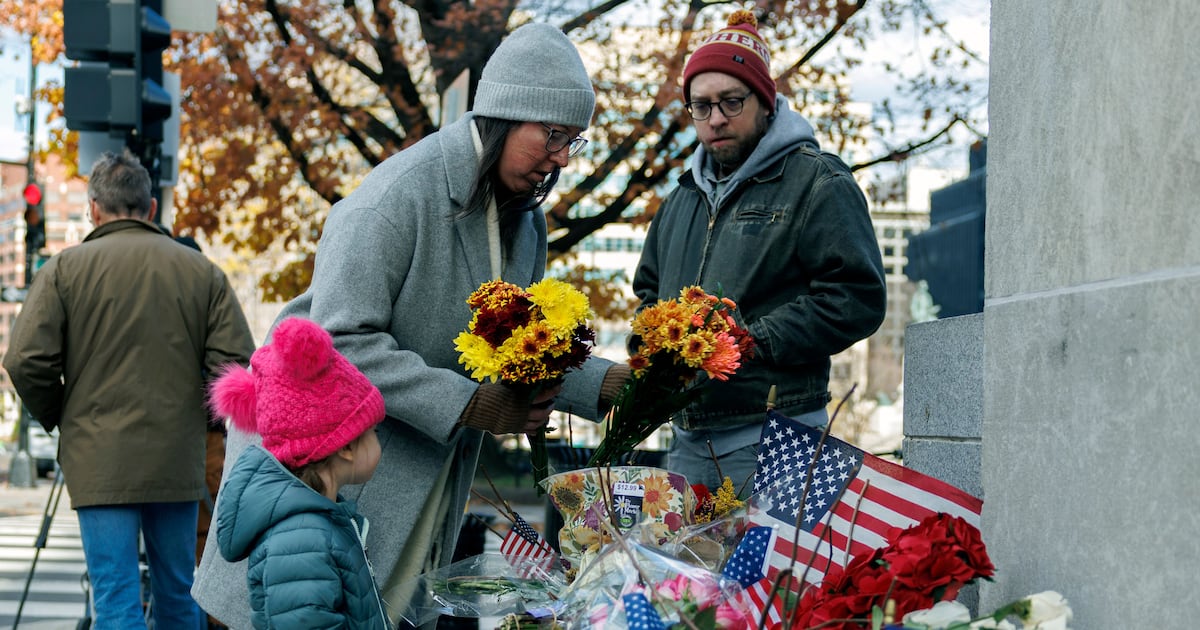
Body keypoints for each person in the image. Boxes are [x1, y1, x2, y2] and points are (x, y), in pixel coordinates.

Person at [193, 22, 630, 628]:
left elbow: (528, 344)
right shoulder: (395, 196)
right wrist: (475, 405)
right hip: (323, 479)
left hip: (418, 481)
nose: (560, 157)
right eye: (552, 135)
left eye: (572, 140)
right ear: (503, 115)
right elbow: (340, 341)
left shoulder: (525, 224)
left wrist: (617, 385)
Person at [632, 11, 888, 494]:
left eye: (731, 101)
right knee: (691, 571)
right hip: (687, 437)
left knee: (777, 573)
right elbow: (648, 290)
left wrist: (749, 341)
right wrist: (657, 343)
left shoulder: (818, 181)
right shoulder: (680, 198)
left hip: (780, 432)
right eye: (701, 106)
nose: (716, 119)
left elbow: (857, 298)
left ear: (765, 101)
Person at [3, 150, 256, 630]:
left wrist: (64, 415)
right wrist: (196, 419)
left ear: (94, 208)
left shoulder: (65, 270)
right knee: (180, 597)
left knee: (115, 600)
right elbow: (236, 366)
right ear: (151, 208)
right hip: (176, 461)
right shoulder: (201, 273)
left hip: (98, 461)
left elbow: (24, 360)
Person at [212, 316, 389, 629]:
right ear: (345, 446)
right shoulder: (304, 540)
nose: (378, 441)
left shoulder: (319, 524)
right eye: (372, 429)